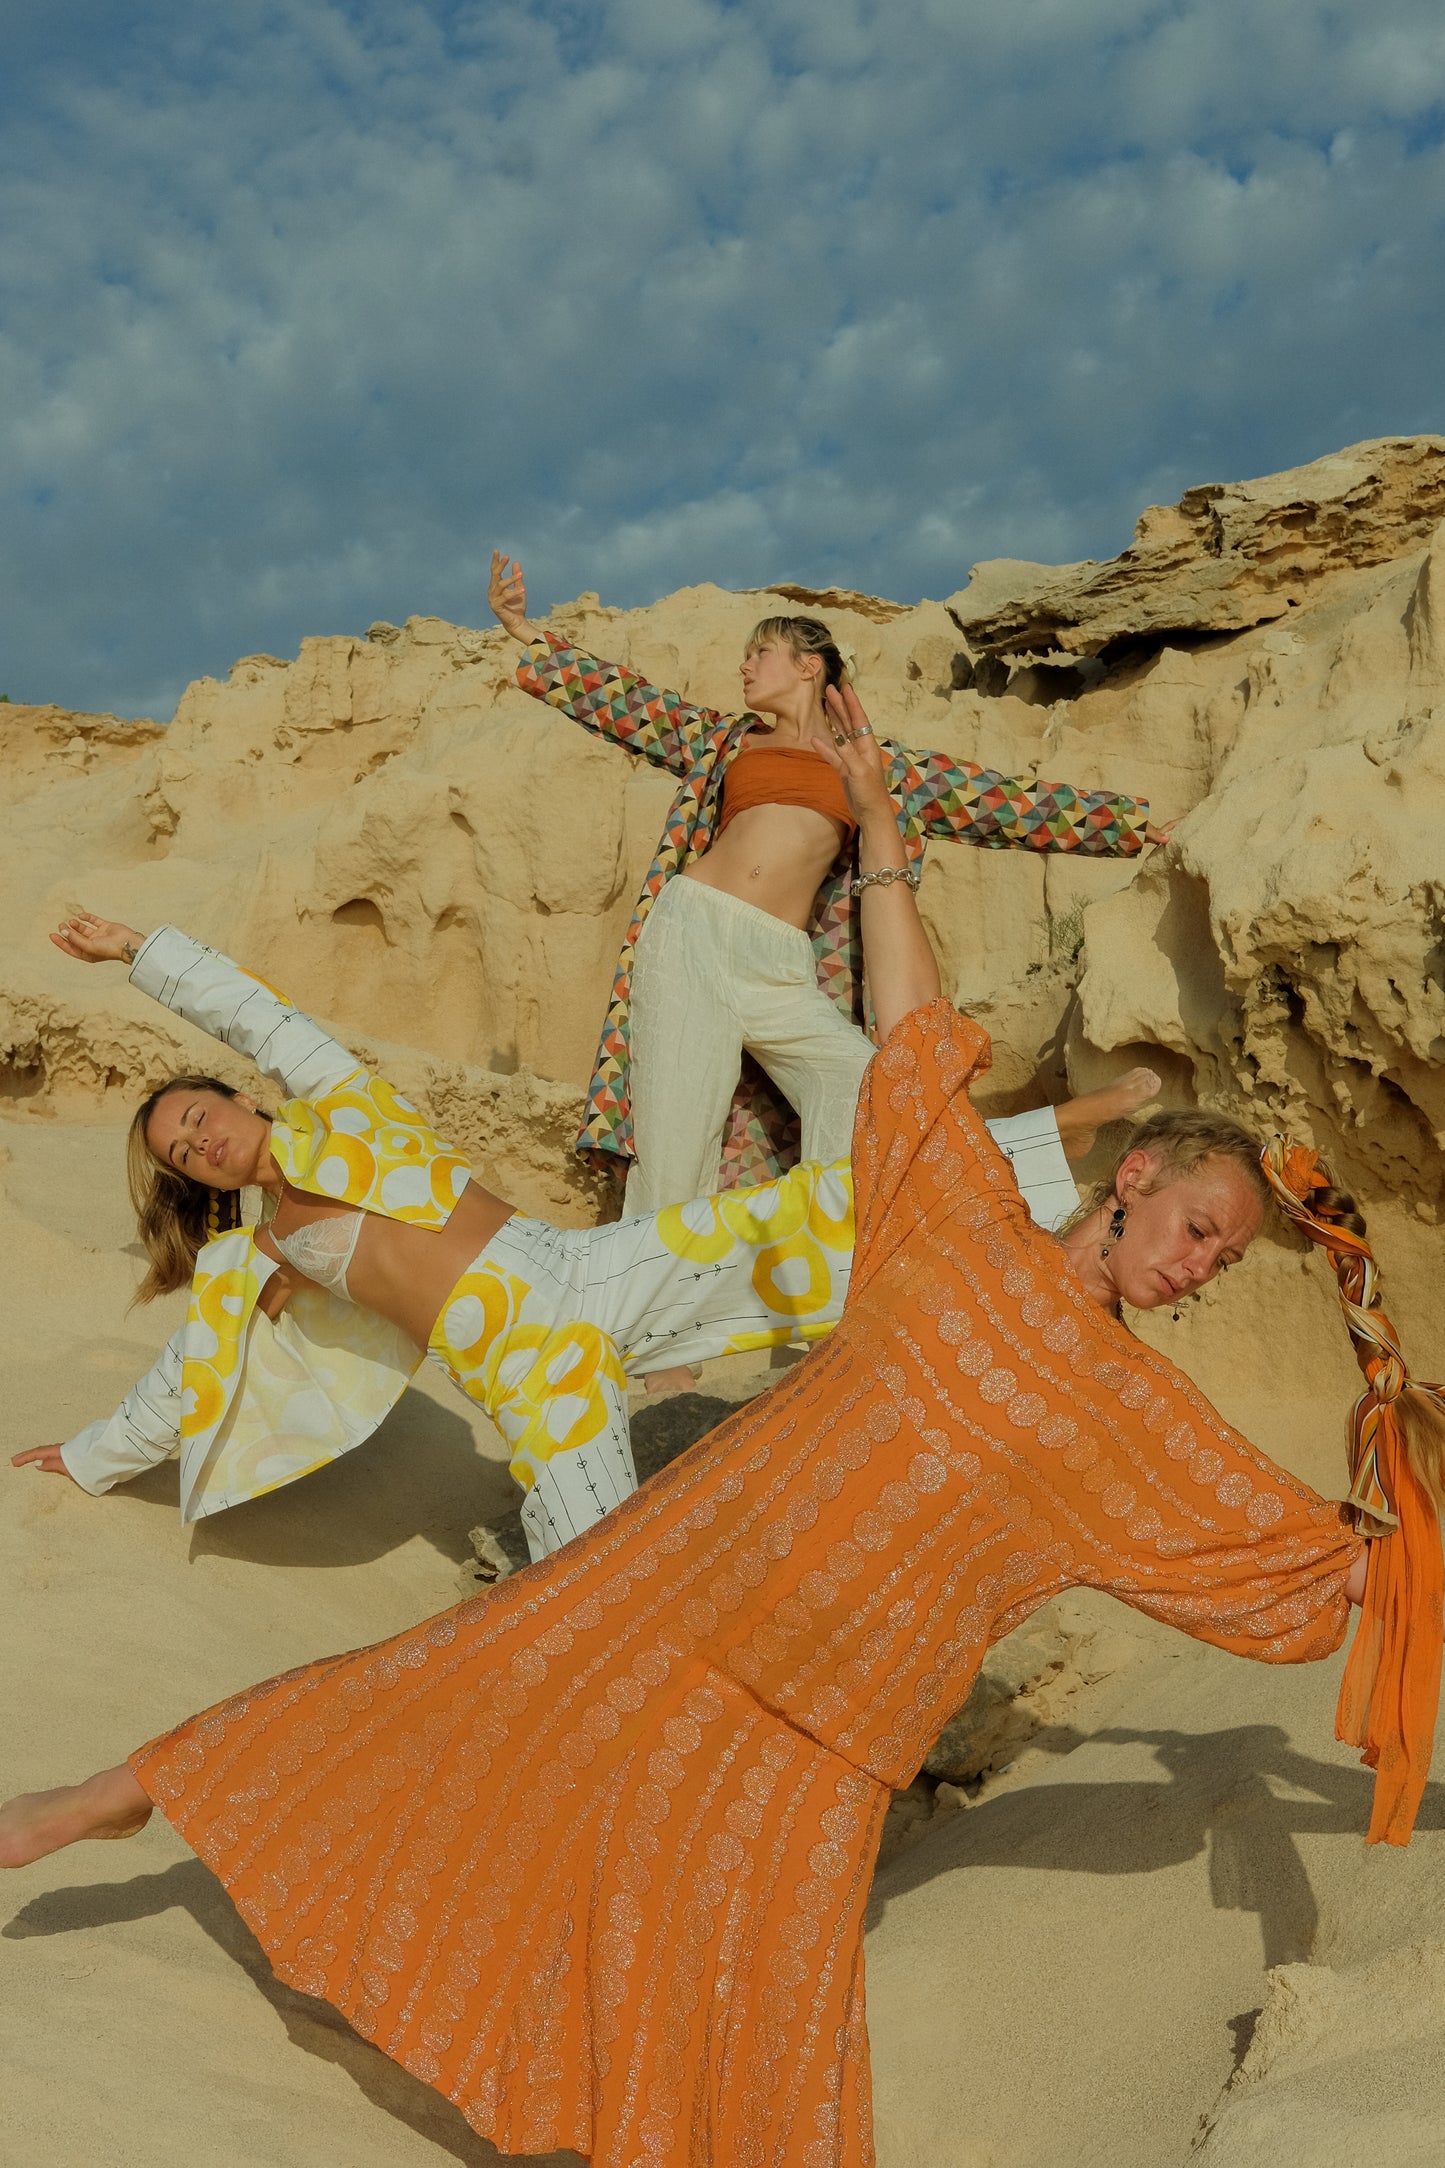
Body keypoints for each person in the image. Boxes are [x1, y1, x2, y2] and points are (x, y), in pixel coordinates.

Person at [5, 698, 1441, 2168]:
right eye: (1199, 1227)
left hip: (824, 1724)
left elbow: (1313, 1567)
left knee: (760, 1996)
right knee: (423, 1694)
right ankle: (98, 1801)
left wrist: (1410, 1543)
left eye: (1221, 1256)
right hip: (671, 1578)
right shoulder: (949, 1233)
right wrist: (879, 833)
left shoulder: (1139, 1419)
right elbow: (909, 1049)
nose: (1201, 1264)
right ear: (1136, 1184)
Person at [13, 694, 1147, 1562]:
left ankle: (1046, 1149)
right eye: (179, 1150)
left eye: (199, 1112)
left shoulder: (337, 1108)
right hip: (522, 1374)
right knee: (592, 1571)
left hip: (579, 1270)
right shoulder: (258, 1254)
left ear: (242, 1101)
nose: (199, 1137)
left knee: (810, 1209)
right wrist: (90, 1455)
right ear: (188, 1179)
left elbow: (262, 1013)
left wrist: (141, 955)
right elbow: (185, 1377)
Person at [489, 550, 1164, 1214]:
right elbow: (628, 704)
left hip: (781, 962)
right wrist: (527, 634)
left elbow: (1004, 801)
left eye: (760, 653)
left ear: (808, 665)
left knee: (867, 1089)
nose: (744, 666)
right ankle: (649, 1319)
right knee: (672, 1158)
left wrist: (1132, 824)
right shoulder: (721, 741)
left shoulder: (879, 766)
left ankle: (820, 1245)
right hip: (689, 934)